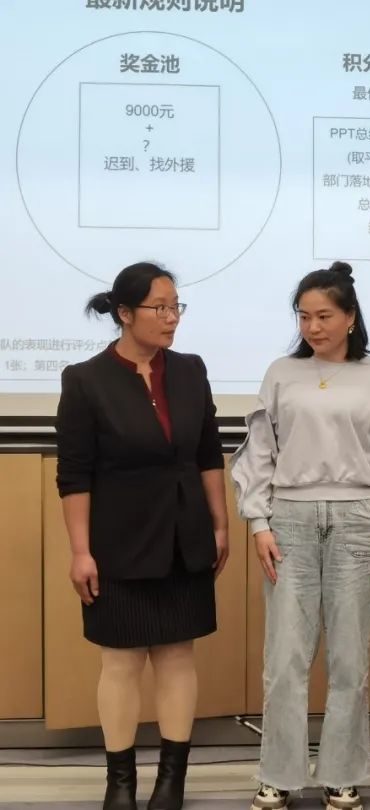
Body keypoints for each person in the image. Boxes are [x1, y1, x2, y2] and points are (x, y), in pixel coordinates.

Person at [231, 262, 370, 810]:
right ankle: (279, 774)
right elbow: (259, 452)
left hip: (360, 519)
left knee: (349, 659)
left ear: (351, 317)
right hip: (289, 518)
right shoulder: (281, 372)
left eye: (325, 316)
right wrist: (258, 523)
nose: (313, 327)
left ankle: (342, 773)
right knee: (285, 656)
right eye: (304, 316)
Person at [56, 262, 228, 810]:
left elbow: (208, 453)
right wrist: (80, 551)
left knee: (177, 656)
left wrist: (220, 523)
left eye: (176, 306)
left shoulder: (190, 370)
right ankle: (121, 784)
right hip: (118, 542)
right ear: (125, 313)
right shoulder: (85, 380)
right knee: (122, 661)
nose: (172, 317)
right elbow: (74, 474)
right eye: (160, 307)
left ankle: (172, 782)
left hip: (184, 536)